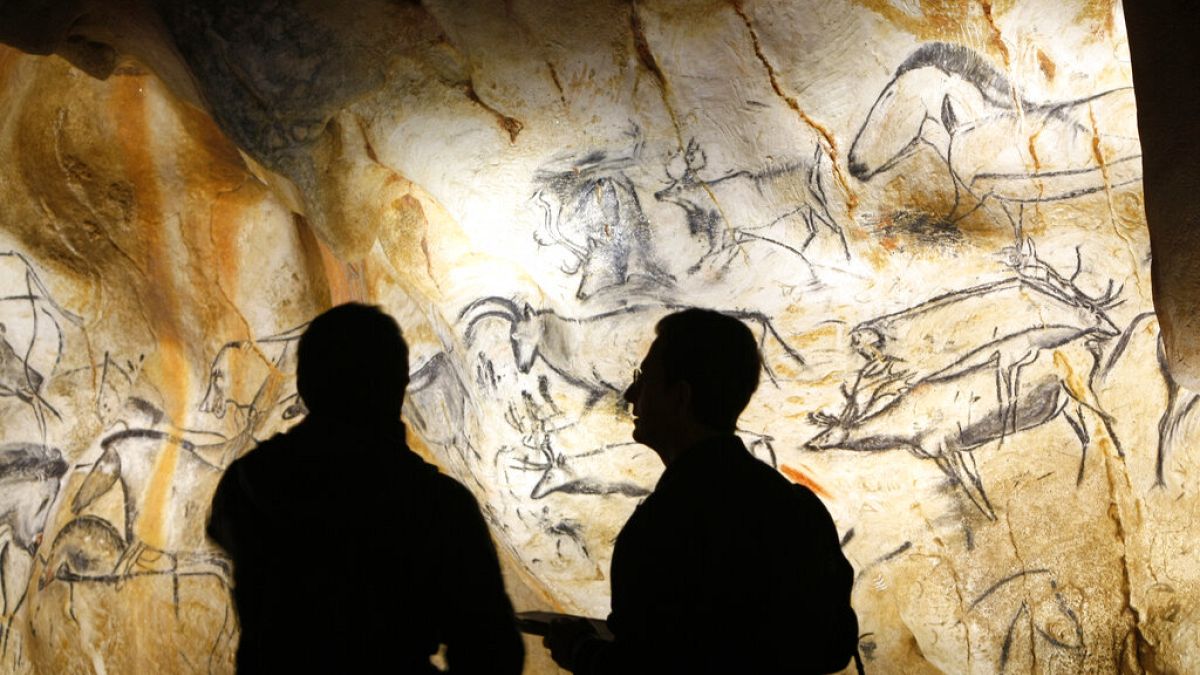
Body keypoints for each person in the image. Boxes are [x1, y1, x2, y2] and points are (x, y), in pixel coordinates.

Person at [208, 303, 524, 674]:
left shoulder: (247, 483)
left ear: (305, 387)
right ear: (399, 384)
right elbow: (492, 652)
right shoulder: (438, 507)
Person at [545, 308, 858, 674]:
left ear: (680, 397)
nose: (631, 393)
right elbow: (834, 646)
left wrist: (581, 651)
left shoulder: (663, 527)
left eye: (643, 379)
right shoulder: (797, 509)